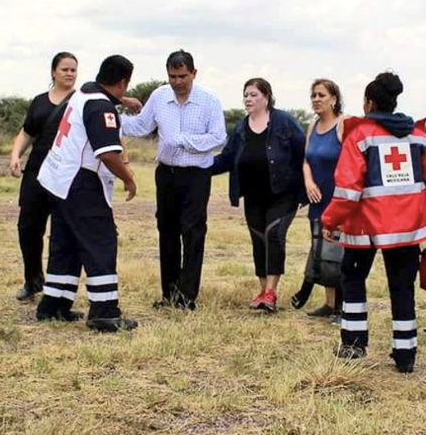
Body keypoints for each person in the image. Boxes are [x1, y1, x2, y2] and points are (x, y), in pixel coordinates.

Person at [321, 71, 426, 373]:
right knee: (402, 287)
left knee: (353, 281)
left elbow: (347, 190)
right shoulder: (419, 137)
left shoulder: (360, 135)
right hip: (408, 229)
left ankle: (353, 347)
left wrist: (330, 221)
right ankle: (405, 356)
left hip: (364, 226)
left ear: (369, 103)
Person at [34, 55, 138, 332]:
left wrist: (122, 102)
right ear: (124, 82)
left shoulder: (84, 92)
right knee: (101, 242)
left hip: (57, 179)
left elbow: (103, 96)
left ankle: (54, 304)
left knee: (65, 244)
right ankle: (104, 311)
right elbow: (108, 154)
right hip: (80, 182)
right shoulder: (100, 107)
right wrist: (129, 178)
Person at [121, 50, 227, 311]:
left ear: (193, 73)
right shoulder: (159, 96)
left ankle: (187, 296)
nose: (177, 82)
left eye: (182, 76)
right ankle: (169, 293)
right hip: (166, 173)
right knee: (167, 231)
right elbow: (141, 126)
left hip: (196, 175)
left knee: (192, 231)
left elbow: (218, 138)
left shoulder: (209, 100)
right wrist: (109, 118)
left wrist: (182, 141)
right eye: (172, 76)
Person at [210, 78, 305, 312]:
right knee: (259, 239)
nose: (248, 99)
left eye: (253, 95)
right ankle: (263, 290)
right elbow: (227, 157)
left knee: (274, 235)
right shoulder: (241, 128)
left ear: (266, 97)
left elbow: (304, 154)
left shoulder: (285, 122)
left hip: (283, 192)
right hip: (252, 194)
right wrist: (198, 167)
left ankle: (272, 291)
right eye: (246, 95)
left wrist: (306, 188)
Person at [8, 52, 77, 301]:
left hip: (66, 172)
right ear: (53, 72)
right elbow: (26, 132)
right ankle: (32, 281)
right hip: (37, 170)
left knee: (63, 231)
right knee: (28, 227)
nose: (69, 74)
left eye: (73, 70)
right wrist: (16, 155)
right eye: (65, 69)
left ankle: (58, 288)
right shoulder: (38, 101)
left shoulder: (80, 101)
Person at [291, 78, 347, 319]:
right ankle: (329, 303)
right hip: (316, 197)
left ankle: (342, 308)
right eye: (313, 95)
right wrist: (308, 182)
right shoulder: (313, 125)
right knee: (320, 249)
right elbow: (305, 160)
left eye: (321, 95)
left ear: (334, 98)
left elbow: (351, 162)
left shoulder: (343, 124)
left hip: (337, 198)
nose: (316, 99)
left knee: (338, 254)